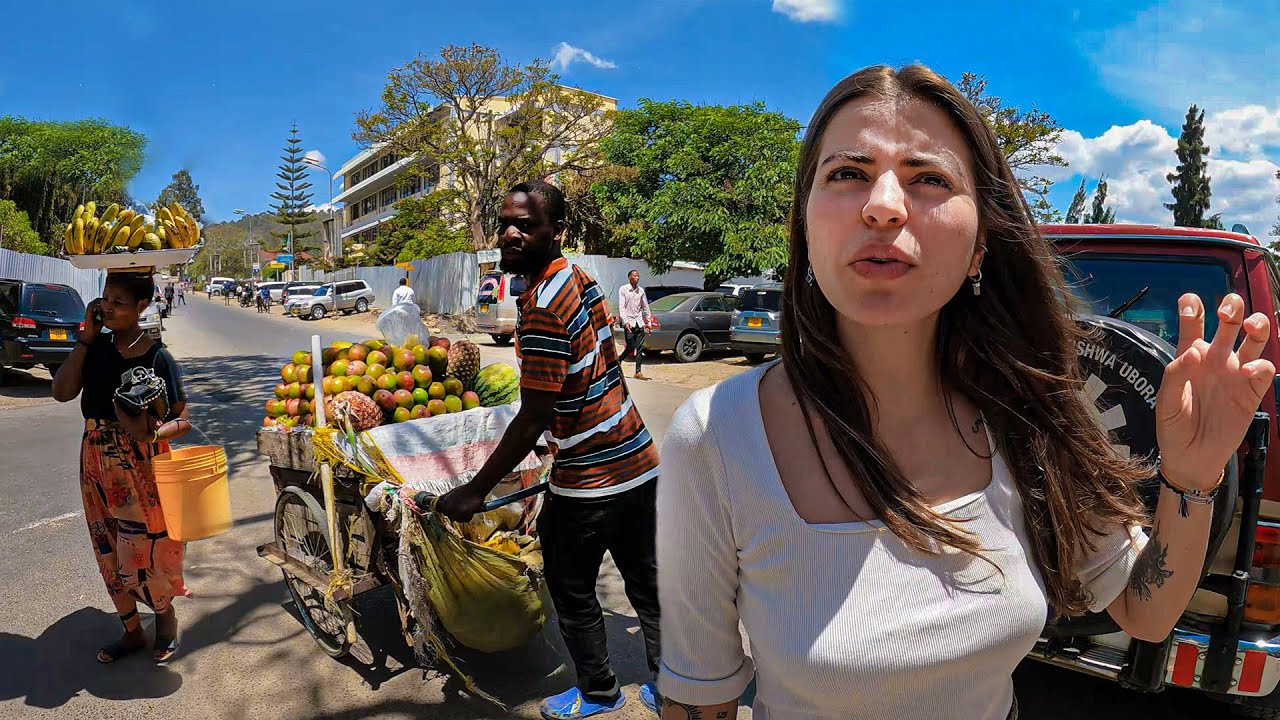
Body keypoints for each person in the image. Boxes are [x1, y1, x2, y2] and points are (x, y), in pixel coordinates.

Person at [654, 64, 1275, 720]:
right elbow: (701, 699)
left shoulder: (1027, 418)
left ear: (981, 245)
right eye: (847, 173)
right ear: (806, 226)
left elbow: (1145, 612)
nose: (883, 205)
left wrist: (1192, 479)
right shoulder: (717, 435)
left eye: (928, 179)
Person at [437, 181, 663, 719]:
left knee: (571, 587)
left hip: (590, 479)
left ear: (556, 231)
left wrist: (474, 491)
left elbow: (534, 415)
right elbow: (586, 373)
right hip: (638, 460)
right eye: (504, 224)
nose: (510, 234)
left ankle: (599, 693)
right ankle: (674, 684)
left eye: (526, 225)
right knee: (648, 583)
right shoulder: (579, 279)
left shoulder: (541, 306)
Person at [52, 269, 192, 665]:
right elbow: (62, 392)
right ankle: (131, 629)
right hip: (95, 458)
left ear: (142, 305)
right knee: (108, 546)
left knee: (149, 547)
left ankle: (164, 617)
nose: (108, 308)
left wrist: (150, 433)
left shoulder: (157, 357)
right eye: (105, 300)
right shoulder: (94, 348)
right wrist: (85, 338)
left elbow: (182, 419)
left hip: (142, 463)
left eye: (119, 302)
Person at [617, 270, 653, 380]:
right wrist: (625, 322)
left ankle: (638, 372)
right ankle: (618, 360)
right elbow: (622, 307)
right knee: (630, 347)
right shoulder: (623, 289)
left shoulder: (641, 291)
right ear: (629, 278)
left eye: (638, 276)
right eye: (635, 276)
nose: (637, 278)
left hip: (639, 322)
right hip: (629, 323)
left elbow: (645, 306)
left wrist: (649, 322)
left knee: (639, 347)